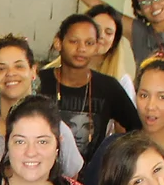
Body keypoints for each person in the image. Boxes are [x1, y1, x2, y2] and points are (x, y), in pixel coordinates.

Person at [0, 36, 83, 177]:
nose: (10, 73)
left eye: (19, 66)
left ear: (33, 71)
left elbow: (70, 182)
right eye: (1, 68)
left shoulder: (56, 128)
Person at [38, 14, 140, 160]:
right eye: (74, 41)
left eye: (89, 43)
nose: (82, 48)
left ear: (97, 47)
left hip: (92, 173)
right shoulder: (39, 82)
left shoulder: (108, 87)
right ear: (58, 43)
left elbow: (136, 130)